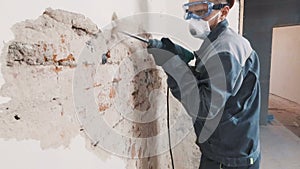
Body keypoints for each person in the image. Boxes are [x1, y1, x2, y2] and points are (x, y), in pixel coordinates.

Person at [147, 0, 261, 169]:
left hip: (230, 160)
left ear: (223, 12)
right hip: (223, 149)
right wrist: (180, 57)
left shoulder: (227, 49)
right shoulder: (217, 41)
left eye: (200, 12)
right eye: (190, 11)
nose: (193, 18)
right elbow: (208, 81)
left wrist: (172, 62)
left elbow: (204, 108)